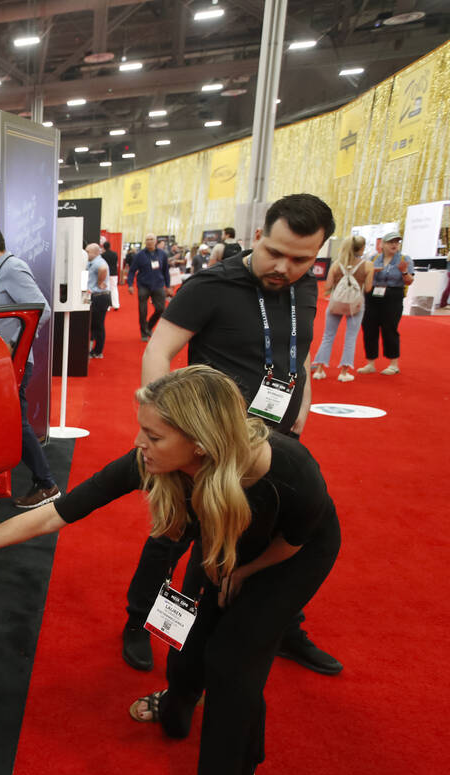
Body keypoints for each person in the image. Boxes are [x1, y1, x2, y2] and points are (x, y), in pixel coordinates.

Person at [0, 365, 340, 775]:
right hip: (224, 545)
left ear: (199, 441)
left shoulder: (289, 469)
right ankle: (178, 703)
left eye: (153, 436)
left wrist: (244, 573)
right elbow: (58, 513)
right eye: (142, 431)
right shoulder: (159, 462)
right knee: (188, 635)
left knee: (233, 660)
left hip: (287, 557)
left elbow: (296, 541)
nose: (139, 444)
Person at [120, 193, 341, 677]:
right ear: (258, 235)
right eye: (274, 251)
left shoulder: (303, 288)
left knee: (265, 538)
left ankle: (284, 628)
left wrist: (301, 412)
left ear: (318, 254)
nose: (283, 266)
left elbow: (297, 354)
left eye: (300, 259)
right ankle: (138, 621)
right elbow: (158, 352)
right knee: (174, 534)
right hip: (204, 447)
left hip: (272, 448)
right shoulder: (211, 285)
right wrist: (162, 426)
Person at [0, 221, 61, 509]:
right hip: (0, 364)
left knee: (16, 424)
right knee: (3, 423)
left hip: (14, 365)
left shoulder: (12, 269)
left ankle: (46, 484)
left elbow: (41, 309)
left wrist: (17, 345)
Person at [312, 235, 371, 382]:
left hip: (336, 303)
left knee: (328, 336)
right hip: (355, 305)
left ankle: (319, 369)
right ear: (361, 248)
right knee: (351, 337)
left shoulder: (336, 265)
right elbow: (368, 288)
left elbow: (327, 286)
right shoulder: (367, 266)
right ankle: (344, 372)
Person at [358, 230, 412, 376]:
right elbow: (362, 275)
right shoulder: (373, 258)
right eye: (391, 242)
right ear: (383, 244)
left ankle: (393, 364)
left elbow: (410, 281)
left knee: (390, 328)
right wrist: (371, 272)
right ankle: (370, 363)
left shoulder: (404, 259)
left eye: (397, 242)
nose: (394, 245)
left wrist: (405, 272)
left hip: (393, 295)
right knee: (369, 328)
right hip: (372, 294)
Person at [128, 234, 170, 341]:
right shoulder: (139, 255)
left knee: (161, 309)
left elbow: (166, 271)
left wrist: (168, 285)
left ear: (155, 241)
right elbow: (132, 270)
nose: (149, 241)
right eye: (147, 239)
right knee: (143, 311)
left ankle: (149, 327)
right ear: (145, 241)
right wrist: (130, 285)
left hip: (158, 285)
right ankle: (144, 333)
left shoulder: (162, 254)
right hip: (143, 286)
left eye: (151, 239)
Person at [85, 243, 111, 359]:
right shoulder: (92, 262)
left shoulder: (99, 262)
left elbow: (103, 269)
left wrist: (100, 282)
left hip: (100, 296)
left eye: (88, 252)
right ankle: (93, 349)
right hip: (96, 296)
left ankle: (98, 351)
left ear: (95, 252)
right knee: (94, 324)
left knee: (98, 325)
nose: (86, 254)